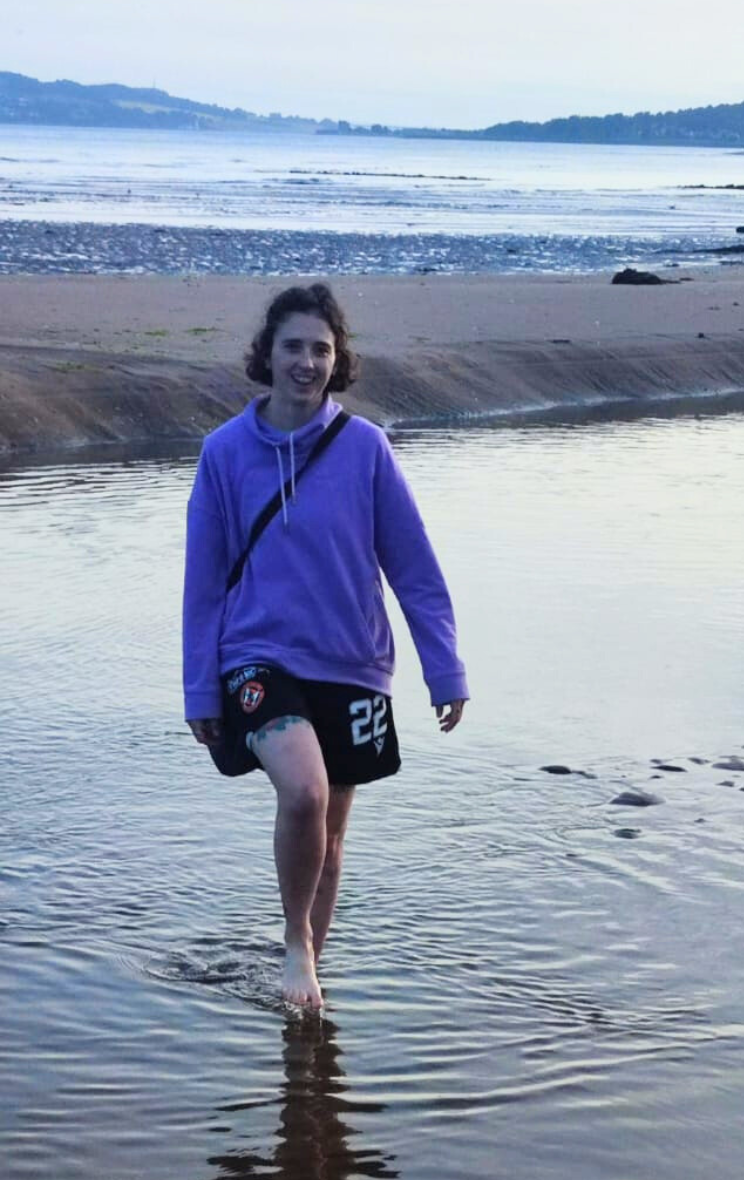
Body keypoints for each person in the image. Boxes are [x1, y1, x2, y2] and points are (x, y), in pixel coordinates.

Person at [183, 282, 468, 1010]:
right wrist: (199, 689)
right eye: (293, 347)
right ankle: (295, 943)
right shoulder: (223, 453)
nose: (306, 362)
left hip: (353, 661)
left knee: (333, 835)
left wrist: (445, 669)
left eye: (321, 349)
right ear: (267, 355)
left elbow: (413, 567)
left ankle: (307, 988)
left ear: (336, 360)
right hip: (258, 658)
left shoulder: (366, 449)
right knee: (304, 792)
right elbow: (204, 582)